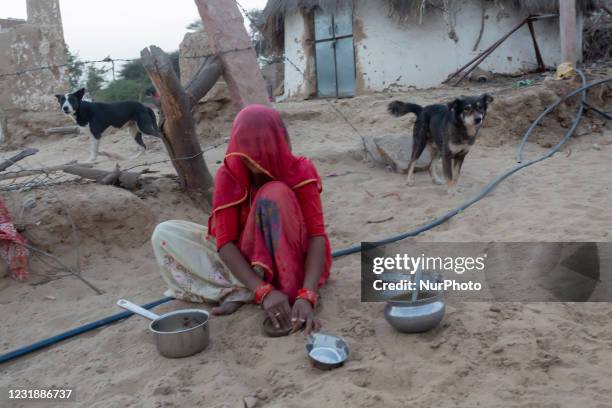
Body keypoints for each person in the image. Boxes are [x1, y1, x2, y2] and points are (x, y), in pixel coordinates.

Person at [151, 105, 332, 335]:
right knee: (165, 233)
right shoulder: (229, 174)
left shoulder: (300, 170)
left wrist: (307, 295)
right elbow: (225, 243)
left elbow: (317, 236)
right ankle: (248, 289)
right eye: (247, 147)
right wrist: (262, 291)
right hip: (246, 260)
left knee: (274, 193)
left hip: (292, 257)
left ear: (279, 141)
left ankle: (274, 289)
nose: (255, 157)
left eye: (262, 145)